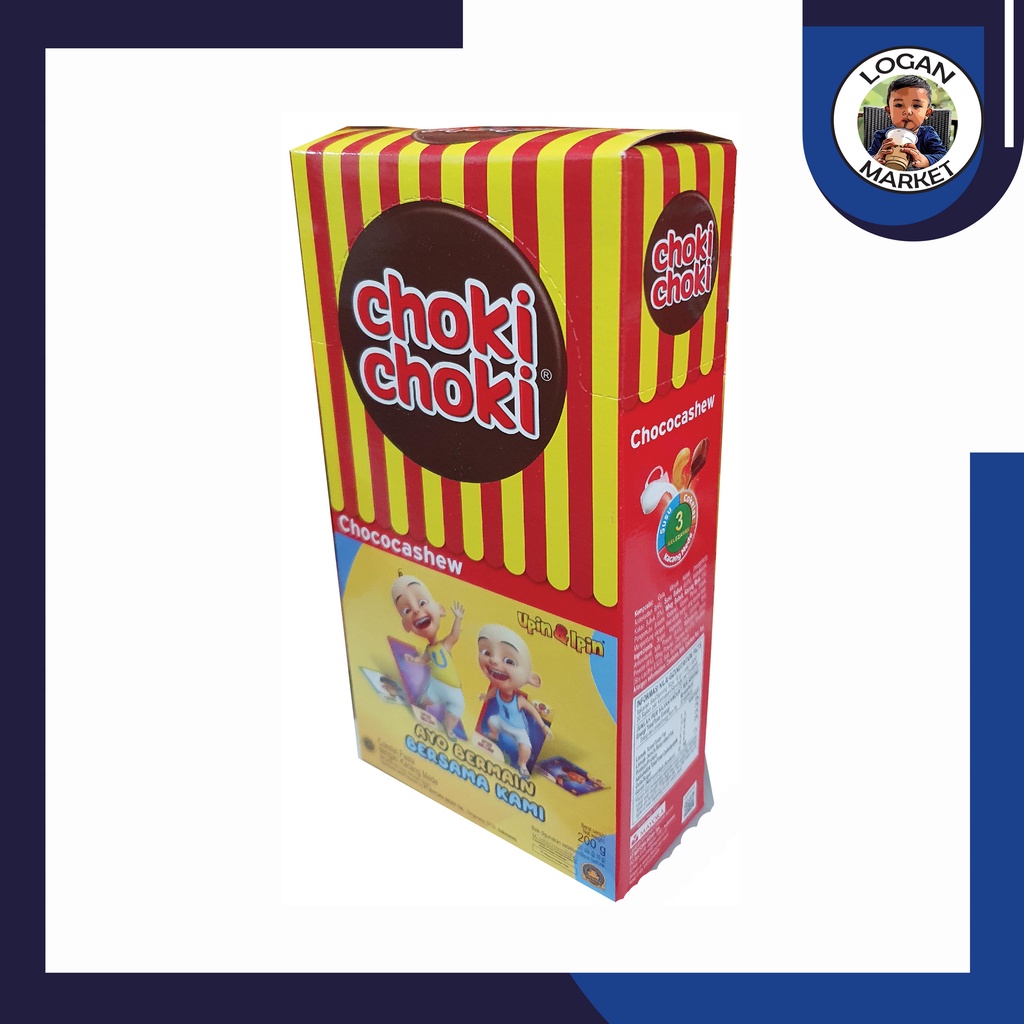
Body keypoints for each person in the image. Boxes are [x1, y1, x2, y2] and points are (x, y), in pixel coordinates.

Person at [392, 573, 465, 740]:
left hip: (454, 689)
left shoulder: (445, 644)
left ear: (440, 610)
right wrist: (413, 660)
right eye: (407, 610)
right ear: (405, 626)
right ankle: (420, 704)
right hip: (436, 684)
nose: (416, 610)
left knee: (457, 707)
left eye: (422, 603)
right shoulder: (428, 649)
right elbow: (423, 659)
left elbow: (455, 635)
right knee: (428, 698)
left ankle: (449, 729)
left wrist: (458, 618)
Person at [477, 624, 551, 780]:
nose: (493, 660)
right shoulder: (497, 690)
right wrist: (486, 696)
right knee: (491, 720)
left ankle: (522, 764)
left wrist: (543, 726)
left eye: (509, 661)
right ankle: (494, 734)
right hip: (501, 722)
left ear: (532, 679)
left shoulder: (519, 700)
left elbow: (533, 711)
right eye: (487, 652)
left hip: (518, 730)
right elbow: (492, 693)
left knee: (526, 748)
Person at [866, 75, 948, 169]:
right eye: (899, 105)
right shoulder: (881, 136)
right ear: (889, 112)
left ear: (927, 113)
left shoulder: (928, 134)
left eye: (916, 106)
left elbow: (943, 157)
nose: (908, 111)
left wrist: (926, 160)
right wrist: (875, 159)